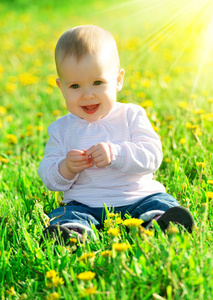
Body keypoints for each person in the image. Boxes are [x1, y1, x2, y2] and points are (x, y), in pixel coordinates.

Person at [38, 25, 194, 244]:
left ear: (118, 80)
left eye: (98, 82)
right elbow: (49, 176)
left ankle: (159, 222)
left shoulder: (130, 115)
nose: (87, 94)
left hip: (139, 196)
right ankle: (73, 234)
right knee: (67, 214)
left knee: (160, 203)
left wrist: (117, 154)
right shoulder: (61, 129)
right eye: (75, 86)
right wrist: (66, 167)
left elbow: (152, 156)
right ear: (61, 87)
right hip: (85, 203)